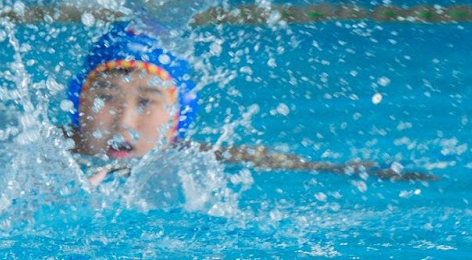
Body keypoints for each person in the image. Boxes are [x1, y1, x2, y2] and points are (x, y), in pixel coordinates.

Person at [65, 24, 435, 185]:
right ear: (78, 105)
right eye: (105, 98)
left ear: (179, 116)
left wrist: (339, 169)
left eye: (146, 101)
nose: (124, 119)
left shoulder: (189, 156)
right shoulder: (46, 150)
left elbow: (256, 157)